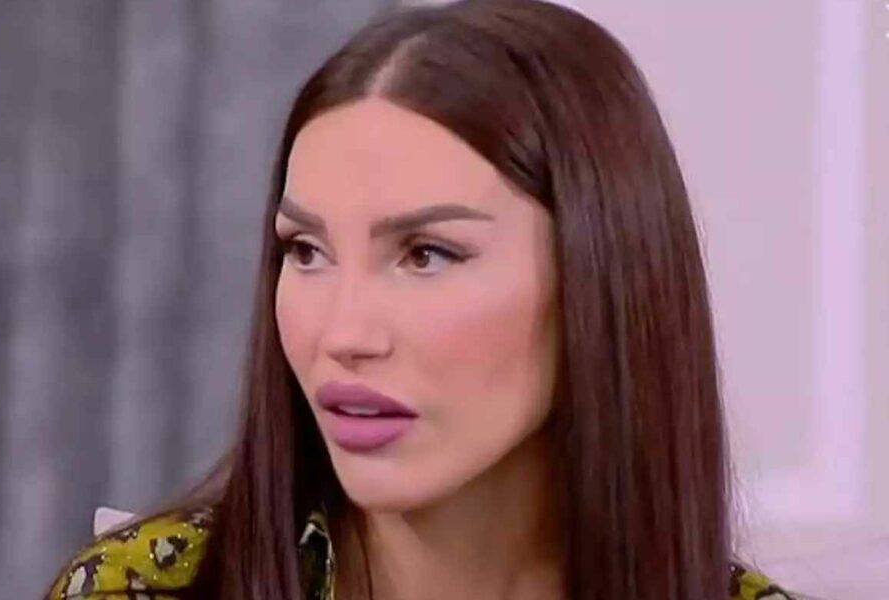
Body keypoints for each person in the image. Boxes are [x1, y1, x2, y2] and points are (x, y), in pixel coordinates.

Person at [44, 1, 800, 598]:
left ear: (597, 279)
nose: (343, 334)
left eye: (426, 254)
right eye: (306, 251)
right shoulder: (137, 589)